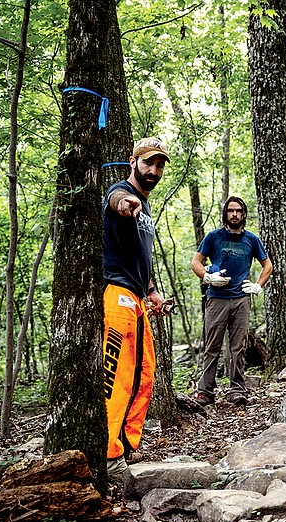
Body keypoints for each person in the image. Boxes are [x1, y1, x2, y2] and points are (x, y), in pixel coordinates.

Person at [102, 137, 171, 478]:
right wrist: (125, 203)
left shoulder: (147, 209)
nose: (154, 171)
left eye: (159, 166)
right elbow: (116, 200)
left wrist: (153, 290)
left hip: (139, 297)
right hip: (116, 295)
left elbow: (140, 257)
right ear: (133, 162)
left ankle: (128, 447)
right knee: (118, 377)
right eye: (148, 163)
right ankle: (109, 453)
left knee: (144, 374)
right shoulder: (121, 193)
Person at [190, 196, 273, 407]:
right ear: (225, 214)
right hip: (217, 298)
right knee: (212, 346)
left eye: (238, 211)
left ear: (244, 214)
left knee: (239, 347)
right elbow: (196, 262)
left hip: (241, 299)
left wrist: (257, 286)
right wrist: (207, 277)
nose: (234, 214)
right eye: (230, 211)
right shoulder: (213, 237)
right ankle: (205, 391)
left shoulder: (251, 240)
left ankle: (237, 389)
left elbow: (268, 266)